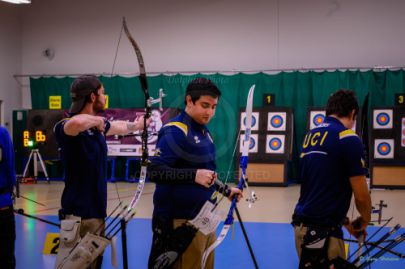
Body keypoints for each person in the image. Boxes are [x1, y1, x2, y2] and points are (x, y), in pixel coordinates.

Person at [54, 75, 148, 269]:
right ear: (92, 96)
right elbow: (75, 124)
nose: (105, 96)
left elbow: (117, 127)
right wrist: (96, 120)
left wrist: (137, 126)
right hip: (78, 217)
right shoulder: (65, 127)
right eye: (102, 92)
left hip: (96, 214)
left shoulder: (96, 127)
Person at [148, 77, 242, 269]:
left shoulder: (205, 133)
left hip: (204, 219)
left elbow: (206, 174)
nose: (210, 112)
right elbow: (155, 171)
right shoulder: (175, 131)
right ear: (189, 101)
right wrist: (193, 175)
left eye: (214, 107)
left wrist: (226, 190)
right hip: (180, 222)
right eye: (205, 105)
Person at [292, 89, 372, 268]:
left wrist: (345, 223)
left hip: (302, 228)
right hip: (324, 236)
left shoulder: (311, 135)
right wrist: (364, 220)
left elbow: (319, 189)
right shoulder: (348, 137)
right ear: (352, 113)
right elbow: (361, 196)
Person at [0, 126, 17, 269]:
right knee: (6, 256)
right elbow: (9, 165)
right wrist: (11, 189)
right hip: (2, 203)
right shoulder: (1, 132)